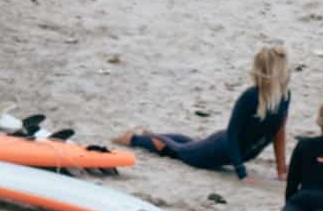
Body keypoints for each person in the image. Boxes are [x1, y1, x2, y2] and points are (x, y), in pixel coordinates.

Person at [117, 46, 291, 180]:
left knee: (190, 144)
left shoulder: (285, 96)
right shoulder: (250, 97)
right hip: (219, 148)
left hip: (233, 150)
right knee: (178, 150)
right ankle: (133, 138)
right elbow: (232, 134)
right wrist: (241, 172)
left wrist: (281, 169)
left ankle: (153, 135)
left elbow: (279, 132)